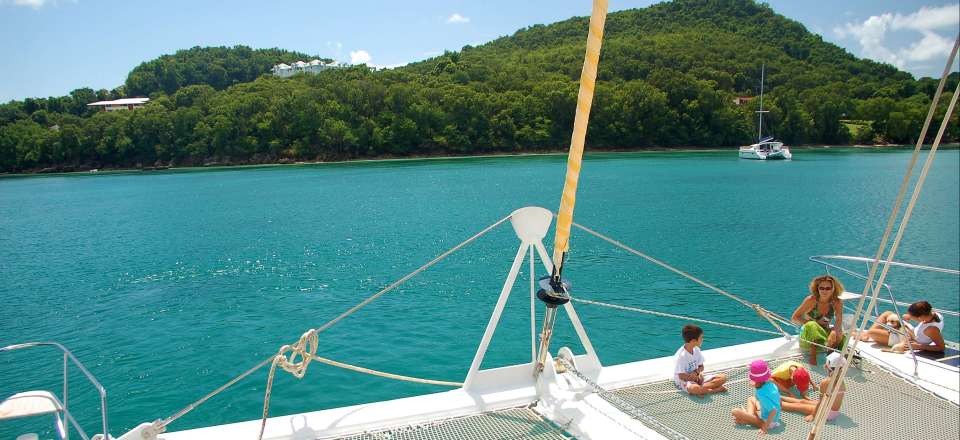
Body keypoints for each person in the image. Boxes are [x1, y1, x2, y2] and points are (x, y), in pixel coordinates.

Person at [792, 275, 846, 365]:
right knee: (812, 325)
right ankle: (813, 358)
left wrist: (834, 332)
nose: (824, 291)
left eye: (828, 288)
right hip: (807, 335)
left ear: (833, 289)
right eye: (822, 288)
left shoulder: (837, 302)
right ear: (817, 289)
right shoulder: (811, 300)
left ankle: (832, 359)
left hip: (823, 331)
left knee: (841, 335)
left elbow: (839, 320)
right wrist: (814, 323)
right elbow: (795, 317)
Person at [780, 352, 848, 422]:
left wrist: (813, 415)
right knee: (802, 401)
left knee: (797, 406)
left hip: (826, 413)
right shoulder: (841, 380)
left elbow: (821, 402)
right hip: (832, 411)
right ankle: (779, 397)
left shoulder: (826, 382)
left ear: (827, 366)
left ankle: (774, 403)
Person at [672, 324, 728, 396]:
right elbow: (681, 376)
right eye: (701, 338)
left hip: (697, 377)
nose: (702, 340)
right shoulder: (681, 356)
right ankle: (714, 390)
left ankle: (702, 390)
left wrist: (697, 373)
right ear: (693, 341)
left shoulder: (696, 349)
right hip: (685, 380)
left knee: (723, 378)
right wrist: (693, 378)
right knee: (695, 388)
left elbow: (701, 367)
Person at [732, 359, 782, 434]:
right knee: (751, 399)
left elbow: (773, 410)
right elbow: (779, 402)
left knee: (735, 411)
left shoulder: (761, 393)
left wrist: (765, 427)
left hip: (767, 422)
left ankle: (748, 419)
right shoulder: (772, 385)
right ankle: (748, 418)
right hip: (774, 418)